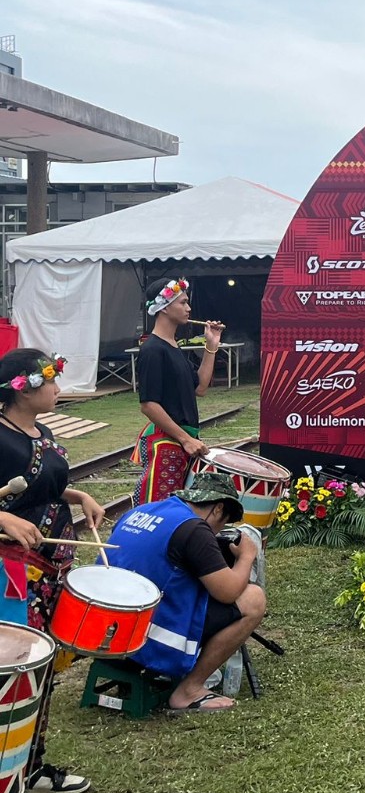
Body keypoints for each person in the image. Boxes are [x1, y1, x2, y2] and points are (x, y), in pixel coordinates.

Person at [0, 348, 105, 793]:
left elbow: (39, 486)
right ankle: (6, 789)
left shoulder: (37, 432)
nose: (59, 388)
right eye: (51, 380)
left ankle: (32, 766)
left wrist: (79, 494)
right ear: (23, 387)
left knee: (43, 672)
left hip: (48, 568)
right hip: (11, 575)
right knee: (14, 677)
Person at [107, 472, 266, 712]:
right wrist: (246, 556)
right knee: (254, 599)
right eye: (223, 523)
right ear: (218, 509)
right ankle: (188, 691)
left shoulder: (142, 511)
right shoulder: (194, 529)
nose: (217, 532)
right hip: (149, 639)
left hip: (106, 631)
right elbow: (228, 592)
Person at [134, 278, 224, 504]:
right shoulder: (153, 349)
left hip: (182, 440)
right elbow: (149, 404)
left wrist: (211, 346)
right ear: (164, 307)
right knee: (162, 508)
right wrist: (184, 439)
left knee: (178, 507)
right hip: (168, 441)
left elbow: (200, 387)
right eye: (183, 303)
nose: (189, 308)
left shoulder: (173, 347)